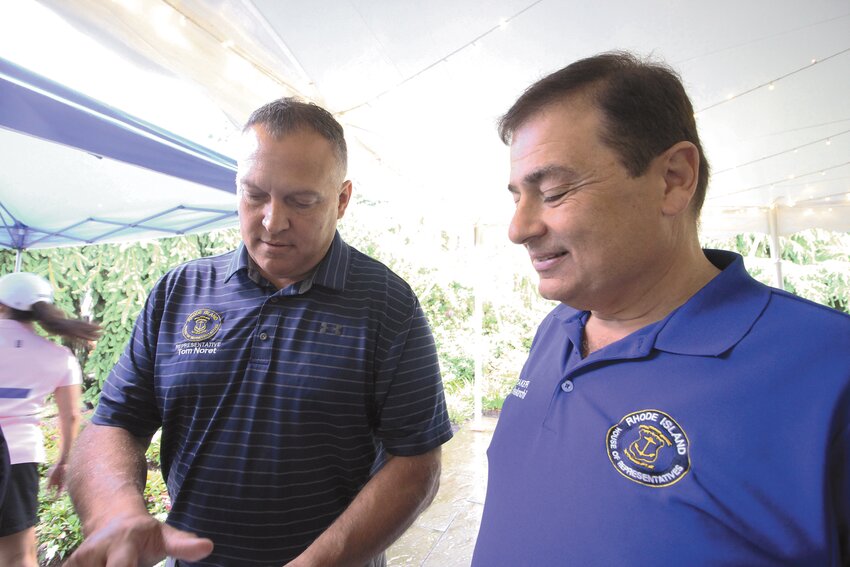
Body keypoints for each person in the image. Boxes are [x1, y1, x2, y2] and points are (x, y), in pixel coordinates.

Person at [471, 51, 850, 565]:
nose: (518, 228)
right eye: (517, 196)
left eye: (554, 191)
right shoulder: (557, 329)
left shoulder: (829, 367)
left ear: (674, 178)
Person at [66, 97, 454, 567]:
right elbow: (116, 420)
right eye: (254, 195)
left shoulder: (388, 304)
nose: (273, 221)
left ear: (343, 199)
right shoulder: (178, 292)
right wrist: (114, 510)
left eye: (301, 200)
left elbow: (416, 464)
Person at [0, 271, 101, 567]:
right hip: (19, 457)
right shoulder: (59, 357)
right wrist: (63, 461)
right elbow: (71, 415)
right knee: (18, 555)